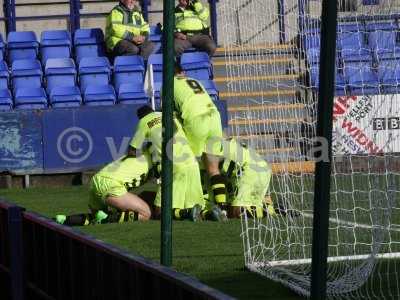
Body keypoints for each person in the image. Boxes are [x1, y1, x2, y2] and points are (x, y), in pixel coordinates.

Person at [127, 105, 213, 221]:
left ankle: (186, 213)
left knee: (160, 211)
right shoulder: (169, 115)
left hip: (173, 167)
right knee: (194, 205)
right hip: (192, 163)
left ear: (141, 117)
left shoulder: (144, 122)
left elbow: (132, 150)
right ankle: (210, 214)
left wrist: (144, 155)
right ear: (153, 111)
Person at [173, 63, 227, 213]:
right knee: (213, 167)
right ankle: (222, 206)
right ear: (182, 72)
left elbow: (169, 112)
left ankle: (200, 206)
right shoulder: (194, 81)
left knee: (193, 163)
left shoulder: (169, 85)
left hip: (196, 119)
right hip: (214, 117)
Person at [54, 154, 152, 226]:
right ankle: (105, 219)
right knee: (145, 213)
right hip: (111, 186)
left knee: (95, 218)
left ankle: (64, 219)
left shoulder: (139, 153)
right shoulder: (156, 159)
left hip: (96, 181)